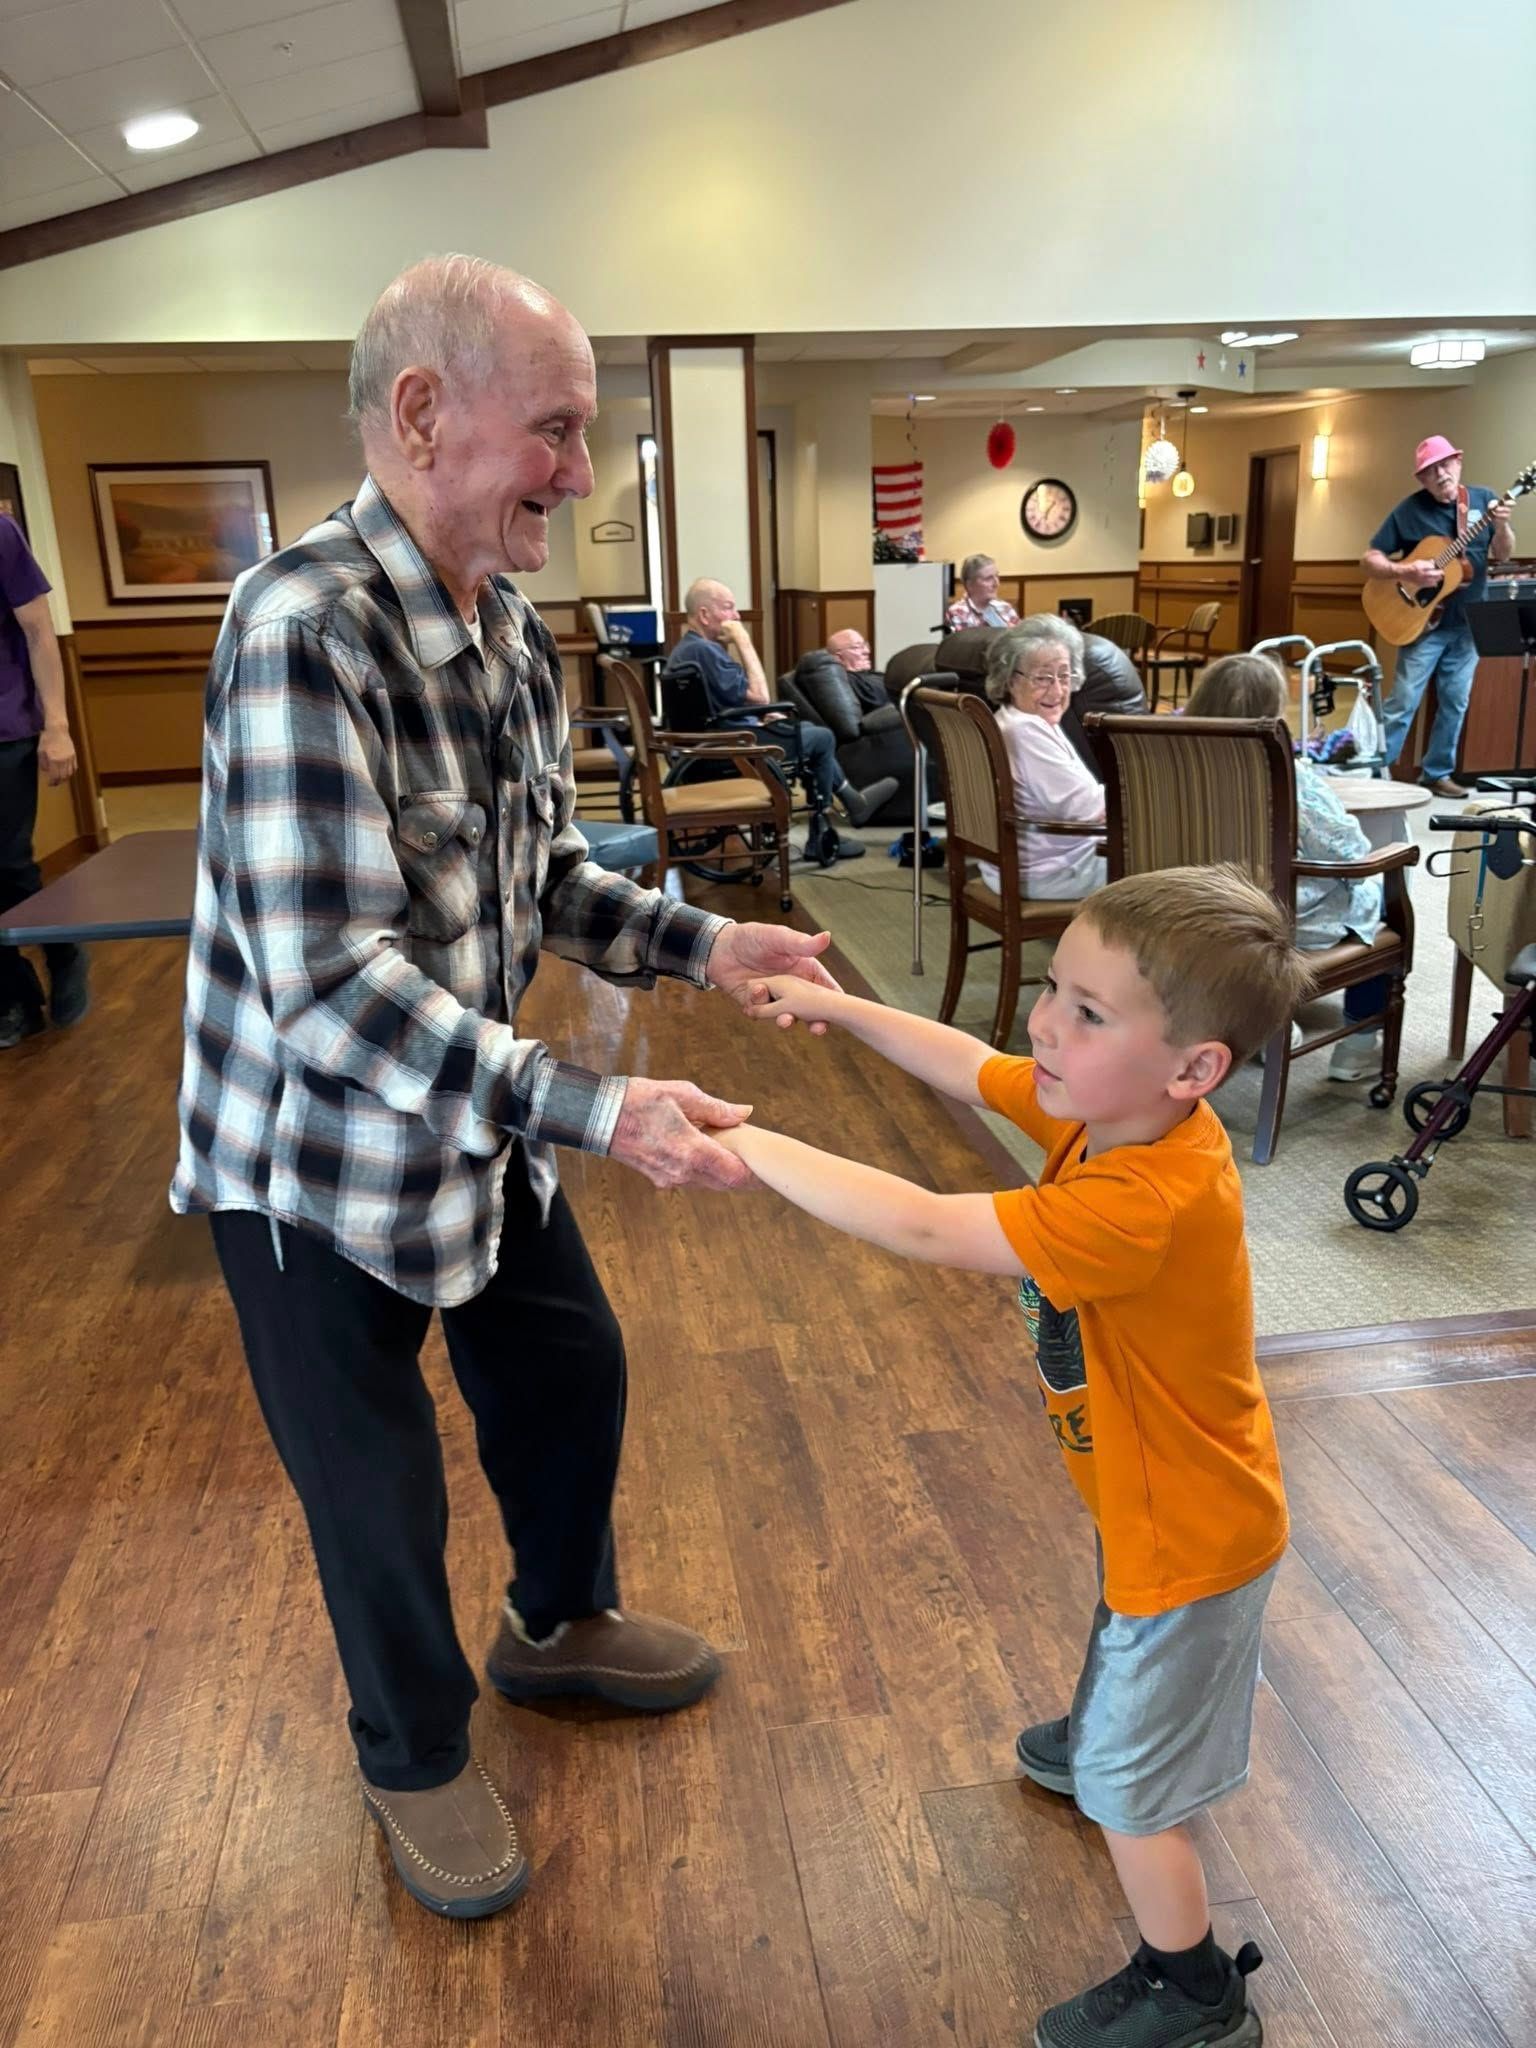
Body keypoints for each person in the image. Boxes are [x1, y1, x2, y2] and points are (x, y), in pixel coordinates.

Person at [169, 254, 843, 1922]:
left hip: (464, 1113)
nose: (579, 472)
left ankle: (557, 1622)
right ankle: (410, 1752)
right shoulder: (300, 629)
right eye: (554, 428)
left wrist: (710, 944)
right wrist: (601, 1107)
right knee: (374, 1482)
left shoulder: (504, 637)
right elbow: (326, 976)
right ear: (422, 412)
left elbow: (535, 881)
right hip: (310, 1155)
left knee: (566, 1364)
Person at [719, 866, 1309, 2048]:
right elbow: (965, 1064)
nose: (1044, 1021)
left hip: (1189, 1532)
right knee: (1119, 1625)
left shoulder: (1141, 1195)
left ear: (1194, 1068)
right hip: (1154, 1499)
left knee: (1134, 1798)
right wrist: (836, 1005)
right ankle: (1105, 1731)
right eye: (1055, 986)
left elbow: (927, 1222)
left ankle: (1193, 1989)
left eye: (1089, 1012)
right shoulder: (1113, 1108)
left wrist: (744, 1142)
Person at [1186, 651, 1389, 1081]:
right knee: (1381, 883)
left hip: (1190, 910)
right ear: (1274, 711)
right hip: (1273, 919)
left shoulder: (1168, 766)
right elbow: (1349, 849)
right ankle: (1357, 1043)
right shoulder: (1288, 775)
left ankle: (1264, 1021)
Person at [664, 580, 896, 860]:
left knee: (807, 730)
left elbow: (732, 702)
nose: (737, 616)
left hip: (718, 737)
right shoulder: (705, 651)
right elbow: (760, 696)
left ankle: (849, 802)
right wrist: (744, 642)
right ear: (704, 614)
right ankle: (825, 829)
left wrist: (758, 715)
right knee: (822, 738)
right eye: (729, 608)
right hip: (729, 747)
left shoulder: (689, 649)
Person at [1362, 433, 1515, 798]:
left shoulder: (1481, 500)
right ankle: (1373, 773)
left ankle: (1436, 772)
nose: (1442, 474)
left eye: (1446, 464)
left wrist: (1503, 526)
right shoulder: (1409, 510)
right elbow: (1370, 558)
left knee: (1455, 700)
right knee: (1403, 700)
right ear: (1421, 479)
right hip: (1423, 624)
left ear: (1458, 463)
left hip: (1467, 624)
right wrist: (1406, 572)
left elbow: (1504, 555)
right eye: (1431, 470)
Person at [0, 514, 89, 1050]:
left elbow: (38, 630)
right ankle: (14, 1000)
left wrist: (57, 726)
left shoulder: (1, 534)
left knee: (8, 868)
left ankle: (62, 948)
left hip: (6, 729)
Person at [977, 616, 1106, 900]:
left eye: (1064, 675)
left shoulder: (1011, 719)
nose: (1058, 691)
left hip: (1016, 864)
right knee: (1174, 855)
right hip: (1050, 871)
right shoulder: (1027, 731)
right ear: (1011, 679)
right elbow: (1086, 810)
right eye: (1043, 678)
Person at [944, 552, 1020, 633]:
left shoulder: (1005, 608)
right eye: (988, 579)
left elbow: (1024, 641)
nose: (996, 584)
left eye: (997, 576)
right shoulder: (957, 613)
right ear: (970, 584)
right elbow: (960, 644)